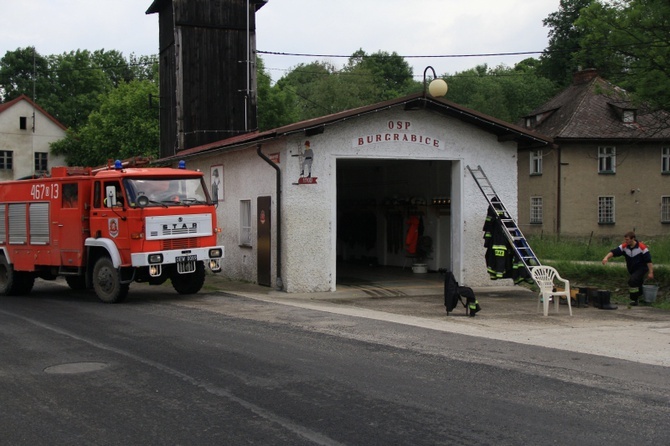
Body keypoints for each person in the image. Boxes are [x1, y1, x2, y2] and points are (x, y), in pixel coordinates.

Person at [602, 231, 654, 306]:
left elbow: (649, 261)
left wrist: (651, 272)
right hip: (632, 269)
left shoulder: (642, 248)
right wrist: (606, 258)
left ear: (633, 239)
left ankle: (634, 300)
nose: (626, 241)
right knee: (637, 283)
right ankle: (641, 297)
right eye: (625, 239)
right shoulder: (624, 247)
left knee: (632, 281)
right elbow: (614, 252)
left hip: (642, 268)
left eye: (627, 239)